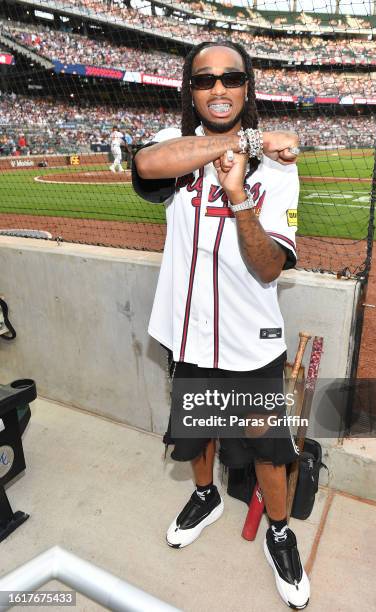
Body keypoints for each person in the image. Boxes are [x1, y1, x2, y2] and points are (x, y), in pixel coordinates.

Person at [132, 41, 309, 610]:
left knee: (267, 447)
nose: (218, 88)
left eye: (230, 78)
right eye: (205, 80)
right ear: (191, 91)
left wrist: (239, 199)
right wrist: (243, 140)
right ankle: (205, 497)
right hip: (187, 331)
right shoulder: (176, 148)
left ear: (246, 88)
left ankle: (280, 531)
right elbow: (145, 166)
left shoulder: (279, 170)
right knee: (195, 432)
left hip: (250, 339)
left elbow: (269, 265)